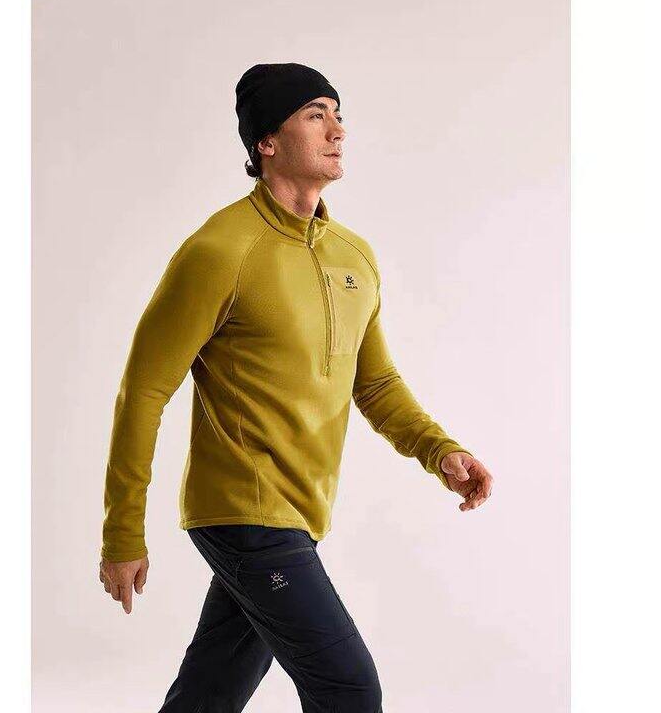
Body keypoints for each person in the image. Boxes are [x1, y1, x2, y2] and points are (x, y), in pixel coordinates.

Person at [99, 62, 493, 712]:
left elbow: (376, 381)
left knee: (210, 694)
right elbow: (142, 391)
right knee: (348, 688)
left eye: (339, 114)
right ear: (267, 141)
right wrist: (122, 534)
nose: (338, 129)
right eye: (315, 114)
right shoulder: (220, 250)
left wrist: (439, 450)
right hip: (244, 515)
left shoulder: (353, 256)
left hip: (299, 514)